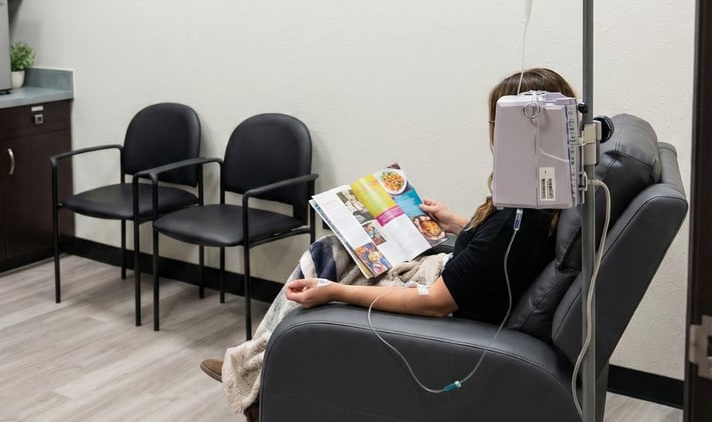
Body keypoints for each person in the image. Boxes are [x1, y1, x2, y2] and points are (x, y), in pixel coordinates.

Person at [200, 67, 577, 422]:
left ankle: (256, 373)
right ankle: (258, 362)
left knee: (326, 260)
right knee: (334, 249)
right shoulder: (542, 199)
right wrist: (456, 222)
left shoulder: (517, 220)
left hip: (442, 298)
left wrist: (335, 292)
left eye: (496, 123)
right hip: (451, 276)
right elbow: (498, 255)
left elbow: (436, 302)